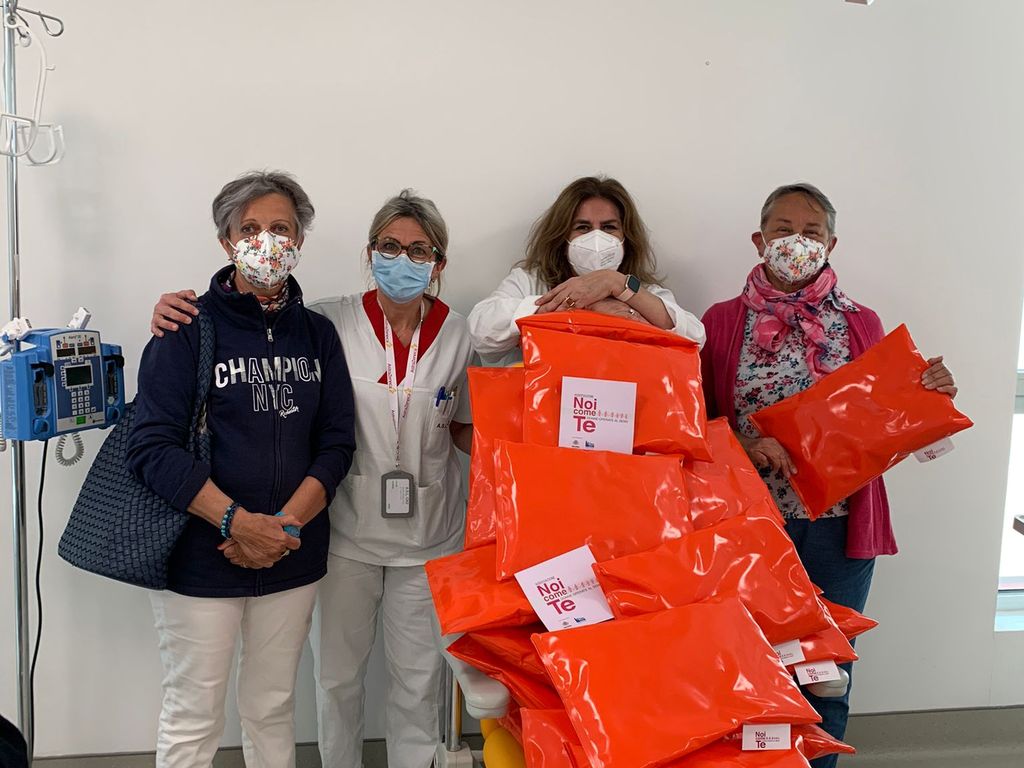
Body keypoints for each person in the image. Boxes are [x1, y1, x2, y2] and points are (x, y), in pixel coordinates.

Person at [150, 189, 476, 768]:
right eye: (389, 246)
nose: (402, 259)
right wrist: (166, 311)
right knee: (335, 680)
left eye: (418, 250)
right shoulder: (327, 322)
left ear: (438, 262)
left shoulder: (457, 335)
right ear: (369, 253)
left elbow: (461, 429)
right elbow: (157, 442)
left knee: (416, 681)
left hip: (425, 533)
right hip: (343, 531)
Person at [698, 182, 957, 768]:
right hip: (748, 525)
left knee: (826, 674)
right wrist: (743, 443)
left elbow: (887, 417)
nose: (797, 242)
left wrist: (929, 394)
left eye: (811, 232)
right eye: (783, 230)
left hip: (839, 527)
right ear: (759, 240)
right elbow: (695, 420)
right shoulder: (720, 321)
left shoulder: (861, 323)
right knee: (746, 665)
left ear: (831, 244)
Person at [127, 171, 356, 768]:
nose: (266, 241)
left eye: (280, 228)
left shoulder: (318, 335)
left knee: (272, 706)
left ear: (299, 239)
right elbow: (151, 447)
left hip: (292, 553)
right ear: (227, 242)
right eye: (249, 229)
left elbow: (336, 445)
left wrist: (280, 529)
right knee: (193, 714)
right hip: (201, 557)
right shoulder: (185, 328)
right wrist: (237, 523)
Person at [467, 175, 705, 365]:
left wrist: (615, 283)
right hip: (542, 406)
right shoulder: (530, 282)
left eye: (609, 227)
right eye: (583, 227)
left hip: (624, 406)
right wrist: (583, 306)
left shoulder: (645, 291)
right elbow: (481, 331)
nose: (597, 238)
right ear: (562, 237)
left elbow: (694, 340)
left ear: (626, 237)